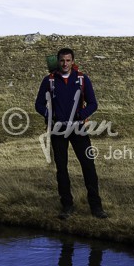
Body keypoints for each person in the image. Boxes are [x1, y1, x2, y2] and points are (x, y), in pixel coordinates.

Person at [34, 48, 108, 219]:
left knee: (88, 166)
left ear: (73, 61)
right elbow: (38, 104)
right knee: (61, 168)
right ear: (58, 61)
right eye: (62, 60)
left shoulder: (82, 79)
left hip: (78, 128)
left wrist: (81, 115)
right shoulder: (49, 80)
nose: (65, 64)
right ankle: (67, 206)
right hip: (58, 129)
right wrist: (50, 115)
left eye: (68, 60)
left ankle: (96, 207)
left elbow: (93, 103)